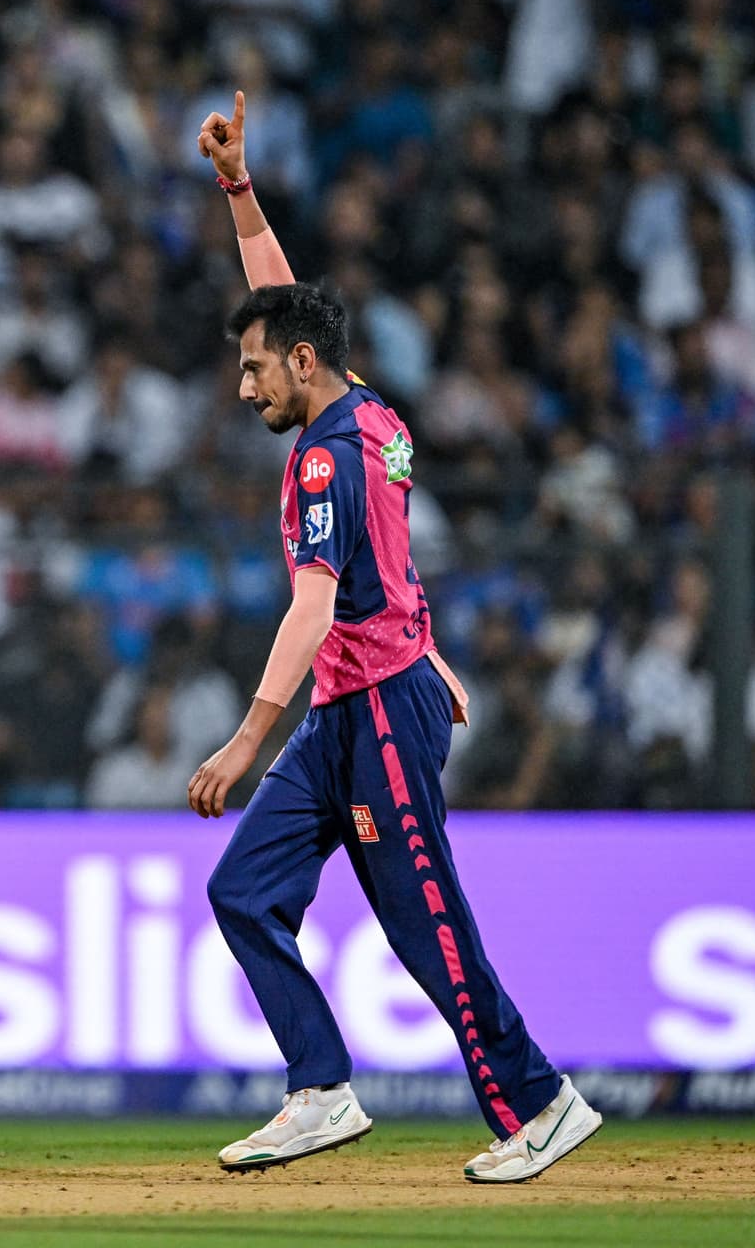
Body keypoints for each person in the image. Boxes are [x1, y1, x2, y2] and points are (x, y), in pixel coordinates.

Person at [186, 95, 601, 1183]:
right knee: (242, 890)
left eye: (256, 369)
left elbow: (315, 606)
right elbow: (282, 303)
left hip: (373, 710)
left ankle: (540, 1102)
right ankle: (320, 1087)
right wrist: (238, 186)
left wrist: (242, 744)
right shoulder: (365, 405)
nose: (246, 385)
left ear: (305, 365)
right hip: (358, 700)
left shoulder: (324, 454)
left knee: (425, 921)